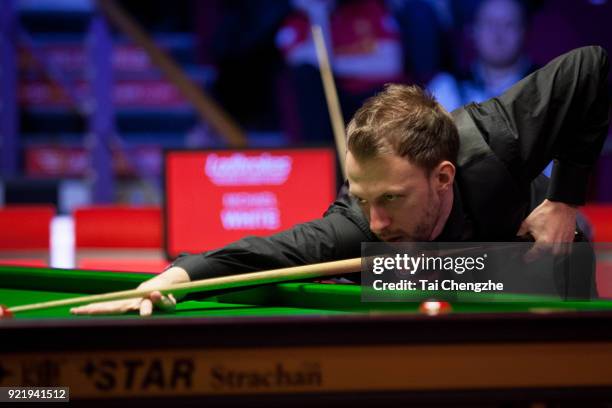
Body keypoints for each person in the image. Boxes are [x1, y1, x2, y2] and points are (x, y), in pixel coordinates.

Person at [71, 46, 610, 316]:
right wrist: (176, 278)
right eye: (363, 198)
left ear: (443, 176)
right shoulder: (362, 225)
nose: (376, 221)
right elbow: (271, 253)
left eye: (393, 199)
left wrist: (564, 197)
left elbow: (592, 67)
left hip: (542, 268)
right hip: (442, 282)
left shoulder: (495, 138)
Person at [428, 0, 537, 112]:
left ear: (524, 31)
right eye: (489, 24)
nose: (498, 35)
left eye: (509, 24)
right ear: (472, 30)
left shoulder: (545, 87)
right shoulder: (446, 88)